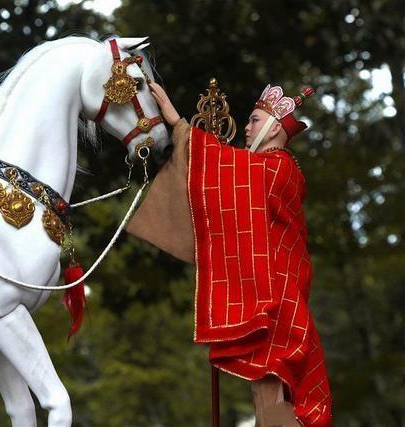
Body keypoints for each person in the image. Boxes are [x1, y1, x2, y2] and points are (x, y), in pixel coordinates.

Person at [129, 82, 333, 426]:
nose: (248, 127)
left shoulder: (277, 168)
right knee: (270, 393)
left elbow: (223, 167)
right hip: (279, 299)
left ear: (274, 128)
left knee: (275, 399)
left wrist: (177, 123)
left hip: (279, 302)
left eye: (255, 120)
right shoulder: (270, 169)